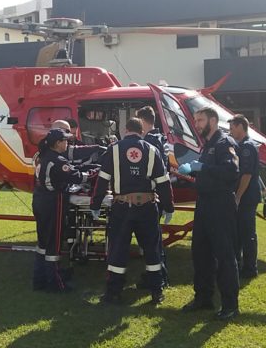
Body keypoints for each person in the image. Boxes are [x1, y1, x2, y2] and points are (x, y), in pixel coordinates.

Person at [91, 118, 174, 305]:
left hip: (122, 207)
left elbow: (102, 181)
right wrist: (169, 207)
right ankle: (156, 291)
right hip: (147, 207)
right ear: (141, 131)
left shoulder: (113, 149)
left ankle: (114, 292)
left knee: (118, 250)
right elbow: (163, 183)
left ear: (126, 130)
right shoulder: (152, 150)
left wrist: (96, 204)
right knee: (152, 250)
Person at [178, 106, 240, 320]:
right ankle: (203, 298)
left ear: (213, 121)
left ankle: (230, 305)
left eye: (200, 120)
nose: (196, 124)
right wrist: (194, 171)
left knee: (224, 255)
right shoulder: (207, 146)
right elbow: (209, 173)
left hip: (220, 203)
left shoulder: (224, 143)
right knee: (200, 252)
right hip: (204, 203)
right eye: (195, 120)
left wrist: (203, 168)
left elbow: (231, 171)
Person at [32, 128, 88, 292]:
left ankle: (39, 278)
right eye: (65, 141)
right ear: (57, 143)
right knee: (54, 244)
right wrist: (94, 171)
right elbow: (77, 177)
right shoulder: (58, 161)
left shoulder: (43, 156)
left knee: (43, 242)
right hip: (53, 202)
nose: (68, 143)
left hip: (40, 200)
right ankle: (55, 283)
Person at [134, 105, 170, 289]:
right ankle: (156, 274)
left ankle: (158, 276)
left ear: (143, 121)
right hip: (157, 194)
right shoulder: (159, 138)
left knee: (150, 241)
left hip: (150, 196)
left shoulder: (149, 141)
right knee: (152, 239)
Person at [229, 114, 261, 279]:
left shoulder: (247, 147)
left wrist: (238, 196)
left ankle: (250, 268)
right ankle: (240, 264)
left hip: (247, 197)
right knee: (239, 232)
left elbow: (246, 175)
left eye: (232, 127)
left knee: (247, 232)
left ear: (241, 126)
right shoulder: (240, 145)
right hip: (243, 195)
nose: (230, 130)